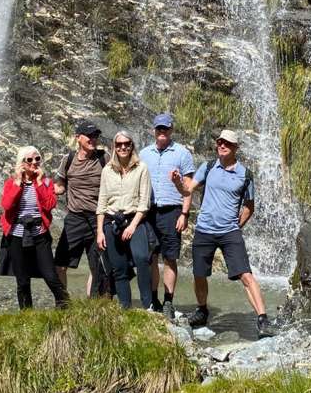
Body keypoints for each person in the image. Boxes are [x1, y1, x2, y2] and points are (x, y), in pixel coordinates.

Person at [171, 129, 275, 338]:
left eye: (227, 143)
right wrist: (177, 182)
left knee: (246, 274)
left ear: (235, 148)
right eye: (219, 141)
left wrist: (237, 225)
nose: (222, 145)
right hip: (204, 230)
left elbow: (249, 206)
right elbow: (187, 190)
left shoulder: (245, 174)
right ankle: (202, 310)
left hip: (230, 232)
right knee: (199, 274)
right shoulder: (208, 167)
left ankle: (262, 319)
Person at [0, 146, 68, 309]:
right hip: (16, 235)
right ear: (21, 163)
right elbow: (7, 205)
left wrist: (38, 183)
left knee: (50, 276)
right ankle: (27, 315)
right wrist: (17, 182)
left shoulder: (46, 182)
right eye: (29, 160)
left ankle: (64, 307)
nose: (34, 162)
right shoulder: (11, 183)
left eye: (37, 159)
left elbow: (50, 204)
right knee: (22, 280)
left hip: (40, 235)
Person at [139, 113, 194, 319]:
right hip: (149, 211)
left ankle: (169, 301)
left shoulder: (182, 154)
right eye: (159, 129)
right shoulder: (144, 153)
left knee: (170, 258)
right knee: (151, 256)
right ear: (154, 130)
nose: (162, 132)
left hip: (172, 211)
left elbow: (188, 187)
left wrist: (184, 214)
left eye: (166, 129)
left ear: (171, 130)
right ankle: (153, 299)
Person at [96, 130, 153, 308]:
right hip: (112, 222)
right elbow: (102, 202)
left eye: (126, 144)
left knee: (142, 259)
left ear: (132, 146)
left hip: (135, 220)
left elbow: (144, 202)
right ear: (114, 147)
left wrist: (133, 226)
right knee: (119, 268)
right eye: (119, 144)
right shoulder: (107, 170)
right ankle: (126, 308)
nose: (123, 147)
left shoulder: (141, 168)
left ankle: (147, 306)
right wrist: (99, 232)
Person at [54, 119, 110, 296]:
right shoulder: (68, 159)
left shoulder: (104, 158)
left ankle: (92, 305)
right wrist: (47, 189)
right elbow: (60, 185)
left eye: (96, 136)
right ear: (78, 137)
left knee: (97, 266)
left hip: (98, 219)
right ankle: (63, 302)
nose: (93, 139)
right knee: (60, 264)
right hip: (75, 218)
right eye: (90, 136)